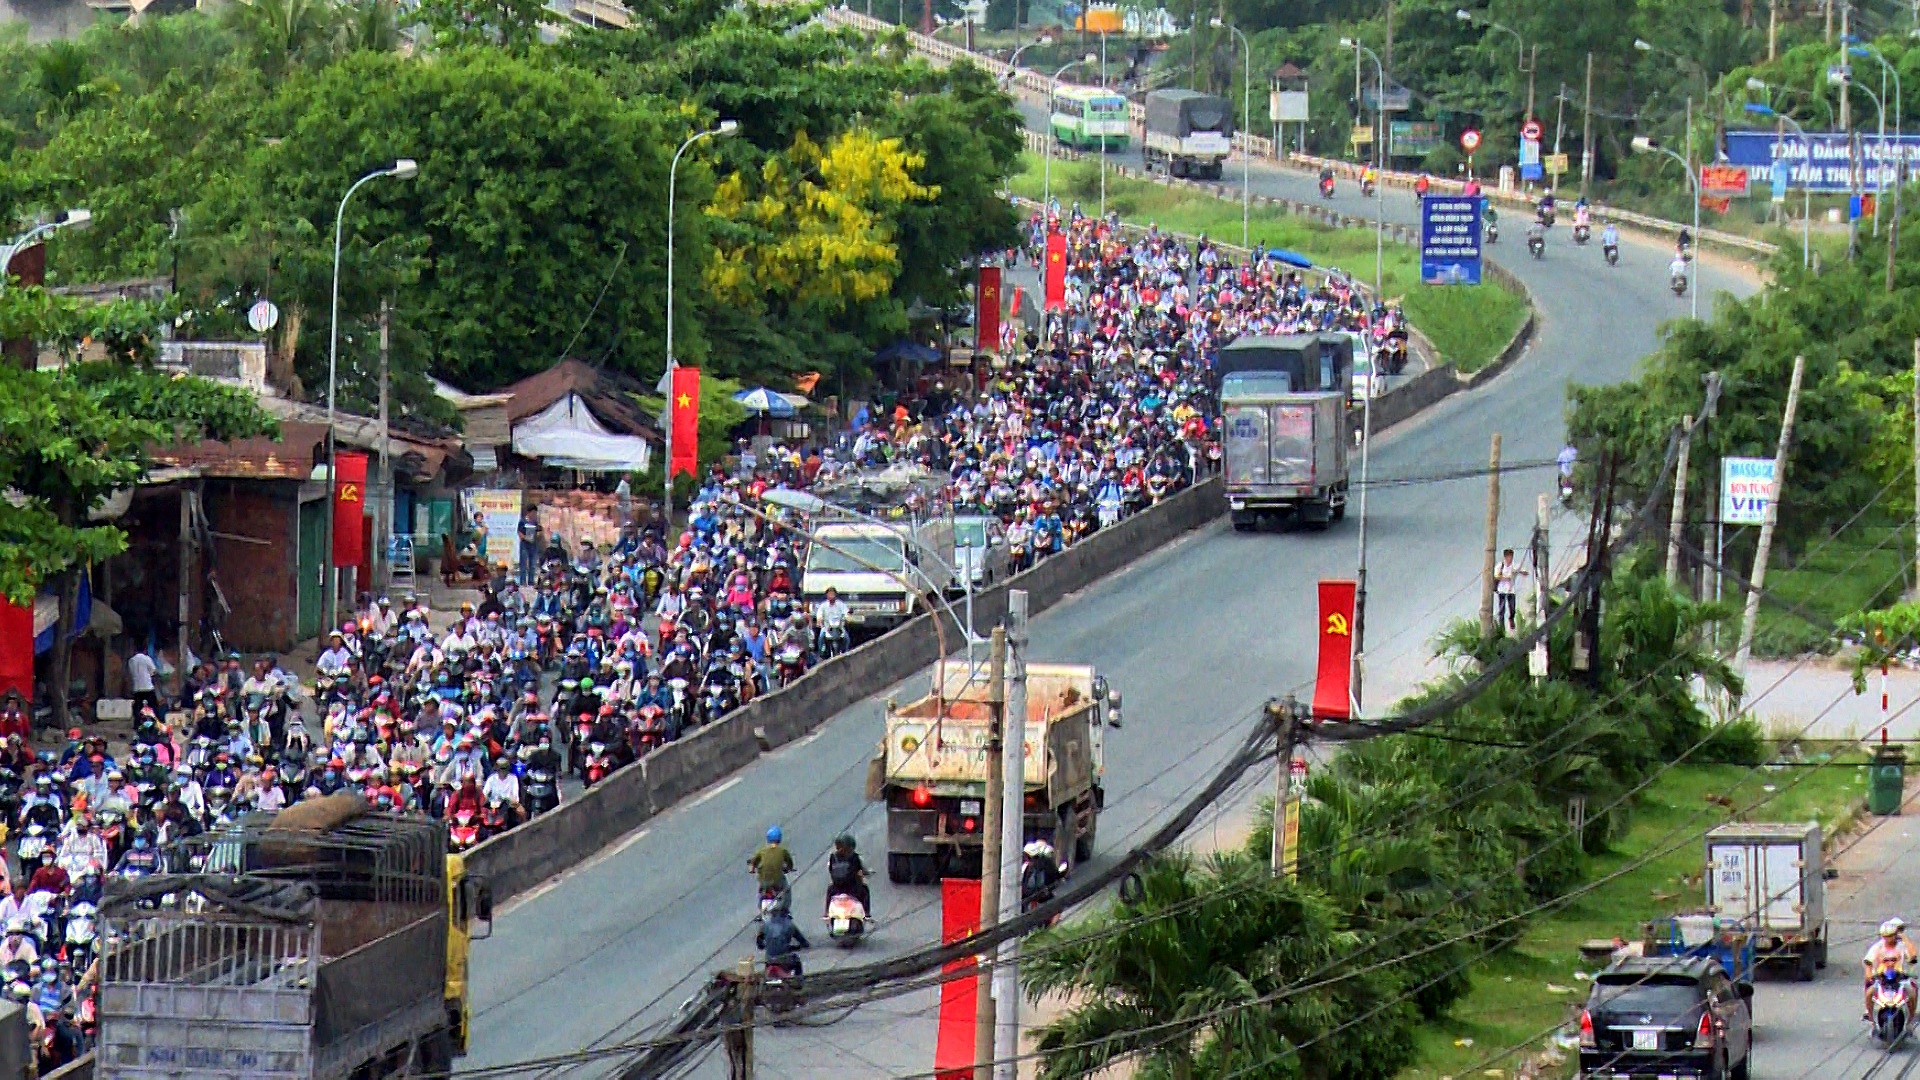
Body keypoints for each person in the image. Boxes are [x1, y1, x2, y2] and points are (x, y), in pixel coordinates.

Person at [1866, 918, 1919, 1019]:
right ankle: (1870, 1016)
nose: (1888, 939)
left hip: (1899, 977)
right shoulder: (1877, 947)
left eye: (1891, 936)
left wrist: (1905, 939)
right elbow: (1868, 962)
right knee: (1869, 993)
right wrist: (1869, 974)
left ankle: (1911, 1018)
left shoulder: (1902, 946)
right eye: (1885, 936)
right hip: (1881, 977)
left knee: (1912, 992)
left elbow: (1912, 956)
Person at [755, 892, 810, 977]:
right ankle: (798, 981)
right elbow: (803, 942)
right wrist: (797, 947)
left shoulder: (765, 925)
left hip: (769, 959)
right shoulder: (790, 925)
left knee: (767, 961)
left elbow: (759, 943)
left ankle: (766, 978)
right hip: (784, 960)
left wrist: (765, 946)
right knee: (797, 962)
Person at [825, 834, 870, 917]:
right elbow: (862, 869)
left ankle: (827, 913)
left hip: (837, 888)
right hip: (853, 888)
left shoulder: (832, 857)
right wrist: (866, 873)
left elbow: (830, 870)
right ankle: (866, 914)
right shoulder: (855, 857)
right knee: (865, 889)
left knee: (829, 890)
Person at [749, 826, 795, 898]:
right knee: (786, 889)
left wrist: (752, 870)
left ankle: (760, 897)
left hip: (763, 880)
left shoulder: (762, 851)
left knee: (761, 886)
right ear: (780, 838)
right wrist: (789, 868)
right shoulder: (783, 851)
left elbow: (753, 862)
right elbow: (789, 863)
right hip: (777, 881)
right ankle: (785, 903)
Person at [1493, 549, 1528, 632]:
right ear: (1505, 557)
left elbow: (1525, 572)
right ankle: (1501, 627)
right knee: (1502, 609)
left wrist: (1519, 572)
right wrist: (1506, 578)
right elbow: (1496, 576)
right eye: (1508, 557)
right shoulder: (1500, 566)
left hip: (1511, 590)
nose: (1510, 559)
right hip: (1502, 590)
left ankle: (1511, 619)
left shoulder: (1514, 565)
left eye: (1511, 557)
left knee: (1512, 608)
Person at [127, 645, 159, 717]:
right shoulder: (147, 659)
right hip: (147, 687)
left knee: (138, 706)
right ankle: (155, 720)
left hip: (137, 687)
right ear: (145, 650)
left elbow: (131, 672)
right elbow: (153, 671)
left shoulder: (131, 660)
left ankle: (137, 722)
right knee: (153, 706)